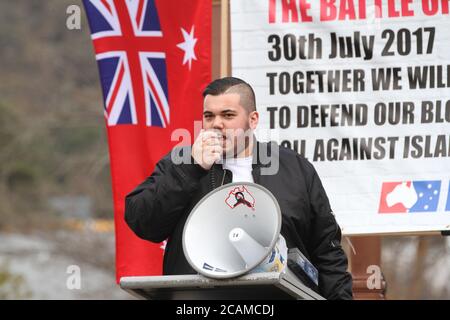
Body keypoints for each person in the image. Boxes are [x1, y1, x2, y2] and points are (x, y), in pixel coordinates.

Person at [124, 77, 353, 299]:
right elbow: (142, 221)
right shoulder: (181, 163)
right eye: (208, 116)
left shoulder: (294, 169)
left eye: (228, 115)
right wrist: (191, 169)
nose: (216, 124)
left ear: (252, 120)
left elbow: (327, 250)